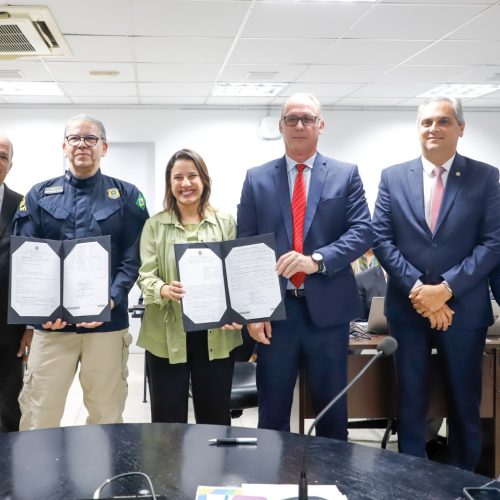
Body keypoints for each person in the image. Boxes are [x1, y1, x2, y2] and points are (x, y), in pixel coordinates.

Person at [372, 96, 500, 471]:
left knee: (465, 403)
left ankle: (461, 482)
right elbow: (381, 239)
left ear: (461, 128)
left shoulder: (486, 176)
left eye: (444, 121)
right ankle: (411, 482)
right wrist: (419, 290)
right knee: (410, 403)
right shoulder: (393, 176)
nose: (434, 128)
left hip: (464, 310)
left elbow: (493, 241)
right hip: (408, 312)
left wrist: (445, 289)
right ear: (418, 128)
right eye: (427, 122)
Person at [237, 93, 372, 439]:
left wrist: (317, 260)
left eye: (307, 119)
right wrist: (253, 312)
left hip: (328, 313)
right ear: (280, 126)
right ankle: (272, 484)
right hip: (274, 314)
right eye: (291, 119)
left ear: (320, 125)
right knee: (273, 410)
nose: (299, 125)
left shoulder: (345, 175)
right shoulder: (257, 178)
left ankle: (332, 485)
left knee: (331, 409)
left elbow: (361, 232)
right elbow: (245, 247)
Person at [13, 114, 149, 430]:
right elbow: (28, 260)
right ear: (64, 146)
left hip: (106, 325)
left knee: (106, 416)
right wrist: (40, 311)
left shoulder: (127, 196)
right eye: (75, 138)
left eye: (90, 139)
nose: (82, 145)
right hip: (52, 328)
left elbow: (134, 257)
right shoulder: (38, 196)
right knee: (39, 417)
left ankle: (102, 478)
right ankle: (37, 479)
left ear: (104, 147)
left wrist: (112, 300)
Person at [137, 148, 242, 425]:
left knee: (215, 418)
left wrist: (236, 312)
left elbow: (236, 275)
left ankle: (215, 470)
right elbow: (145, 275)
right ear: (169, 184)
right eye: (178, 177)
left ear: (204, 180)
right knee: (168, 420)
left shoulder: (225, 222)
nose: (186, 184)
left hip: (216, 335)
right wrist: (162, 289)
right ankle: (169, 471)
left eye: (192, 176)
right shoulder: (154, 225)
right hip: (166, 334)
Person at [0, 135, 31, 432]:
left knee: (10, 409)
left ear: (10, 164)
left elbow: (33, 267)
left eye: (2, 156)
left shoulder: (22, 206)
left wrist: (30, 327)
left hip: (8, 331)